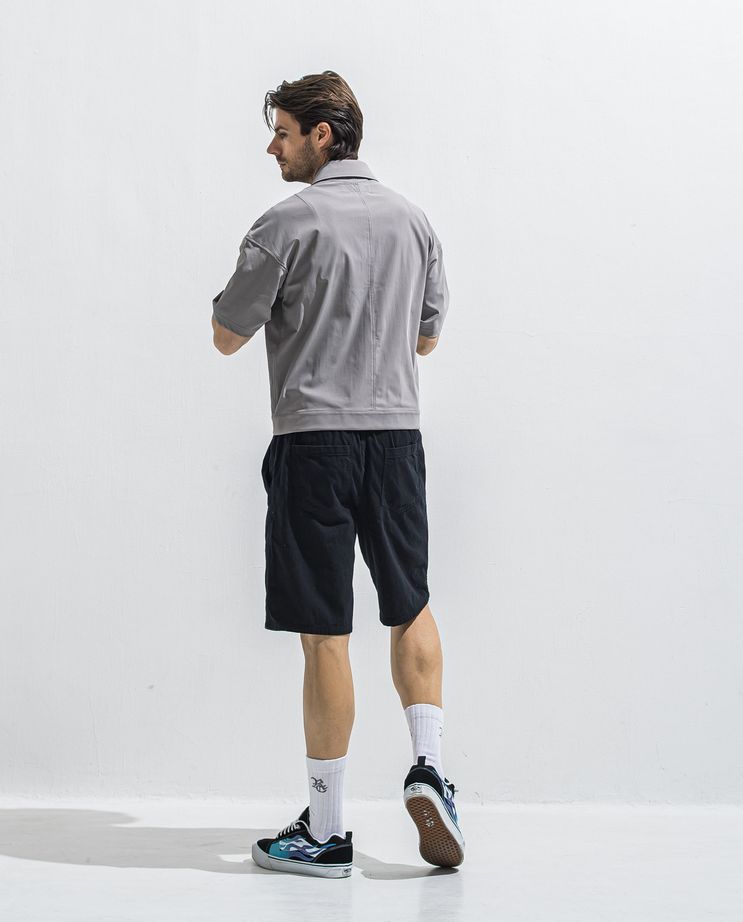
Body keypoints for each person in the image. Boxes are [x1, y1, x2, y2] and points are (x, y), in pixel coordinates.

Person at [210, 70, 464, 879]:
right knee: (410, 604)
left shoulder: (286, 223)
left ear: (323, 134)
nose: (272, 147)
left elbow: (226, 334)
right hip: (395, 440)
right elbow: (426, 338)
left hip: (314, 444)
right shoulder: (413, 221)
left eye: (282, 132)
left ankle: (325, 832)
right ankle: (430, 768)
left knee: (326, 634)